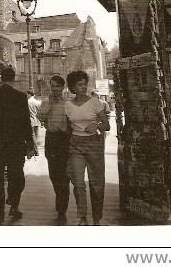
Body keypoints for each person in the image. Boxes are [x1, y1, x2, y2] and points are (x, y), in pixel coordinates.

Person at [0, 66, 36, 225]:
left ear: (1, 78)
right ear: (14, 79)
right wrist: (30, 143)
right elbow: (26, 123)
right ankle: (14, 204)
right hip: (16, 145)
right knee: (16, 176)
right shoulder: (20, 97)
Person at [65, 70, 111, 226]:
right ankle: (82, 217)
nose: (83, 87)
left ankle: (97, 217)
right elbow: (67, 128)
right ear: (73, 87)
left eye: (85, 84)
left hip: (94, 144)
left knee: (96, 183)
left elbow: (107, 125)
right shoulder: (68, 106)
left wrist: (97, 125)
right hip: (75, 145)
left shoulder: (95, 102)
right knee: (78, 183)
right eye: (79, 84)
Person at [37, 75, 71, 225]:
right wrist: (49, 105)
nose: (55, 89)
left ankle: (62, 208)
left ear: (63, 88)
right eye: (53, 86)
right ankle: (60, 198)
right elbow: (41, 118)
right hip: (51, 139)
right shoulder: (45, 102)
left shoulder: (68, 103)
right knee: (53, 174)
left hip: (64, 140)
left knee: (64, 176)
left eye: (58, 86)